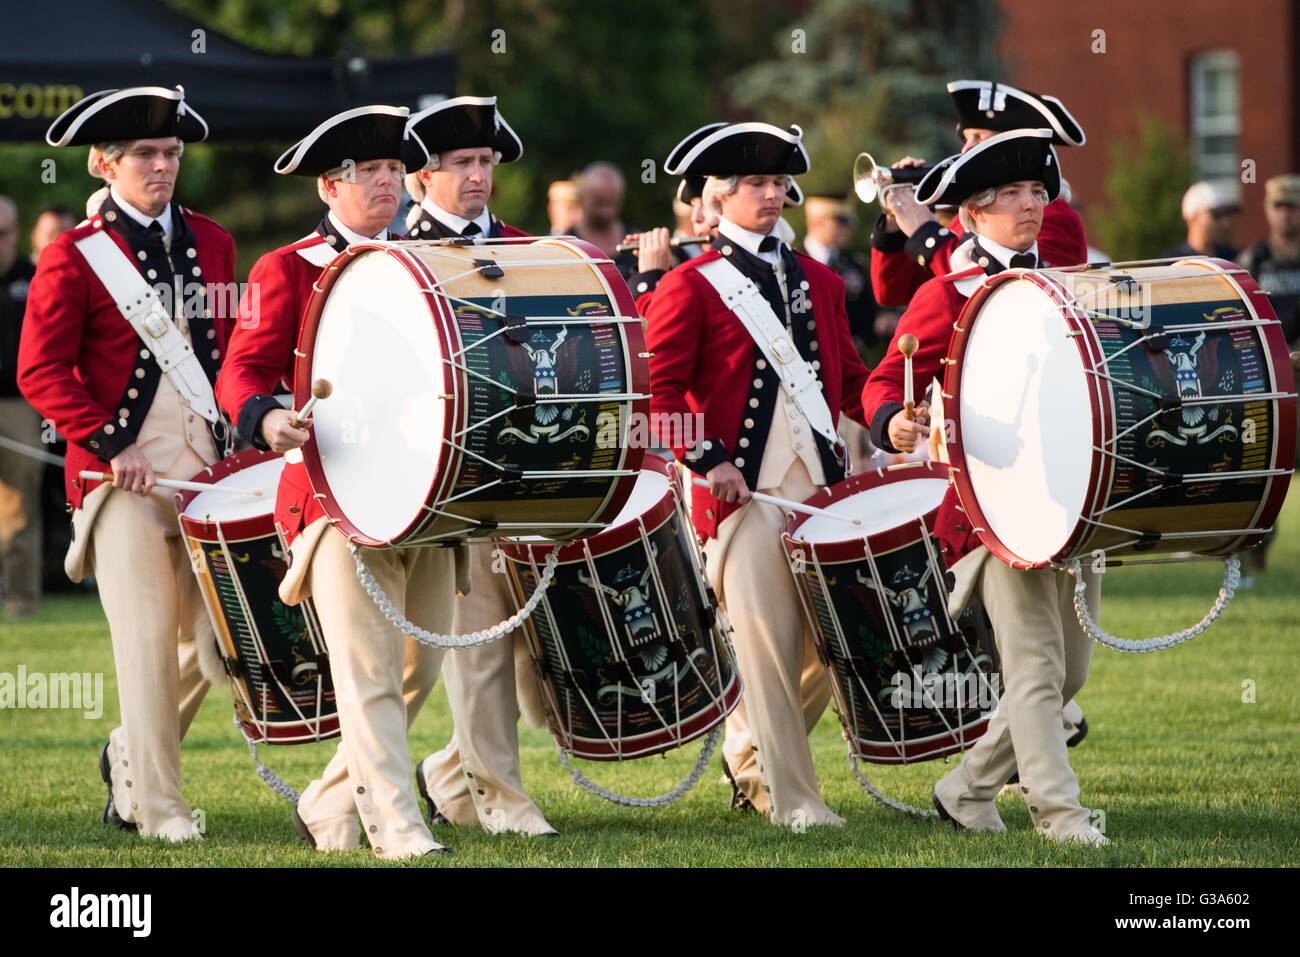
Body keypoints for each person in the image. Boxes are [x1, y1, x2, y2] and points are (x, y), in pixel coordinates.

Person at [216, 105, 458, 859]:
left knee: (420, 664)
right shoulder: (282, 268)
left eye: (394, 170)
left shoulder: (430, 259)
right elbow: (241, 371)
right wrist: (264, 418)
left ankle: (325, 801)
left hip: (428, 498)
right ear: (330, 185)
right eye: (369, 172)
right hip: (332, 499)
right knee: (368, 671)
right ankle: (396, 825)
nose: (388, 183)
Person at [863, 128, 1107, 846]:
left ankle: (964, 789)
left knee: (1066, 675)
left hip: (1074, 503)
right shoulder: (950, 292)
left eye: (1037, 191)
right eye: (1009, 196)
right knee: (1033, 668)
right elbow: (884, 381)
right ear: (971, 215)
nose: (1029, 206)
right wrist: (892, 421)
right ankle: (1061, 816)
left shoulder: (1069, 284)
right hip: (992, 508)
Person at [18, 86, 236, 841]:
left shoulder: (213, 243)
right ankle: (162, 809)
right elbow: (39, 370)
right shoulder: (72, 255)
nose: (163, 165)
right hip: (119, 486)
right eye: (145, 153)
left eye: (172, 153)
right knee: (146, 639)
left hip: (205, 474)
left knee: (216, 644)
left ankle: (129, 753)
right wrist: (113, 442)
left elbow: (226, 357)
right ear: (103, 163)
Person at [645, 121, 870, 827]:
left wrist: (890, 416)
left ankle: (748, 753)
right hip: (740, 498)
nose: (771, 195)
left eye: (778, 184)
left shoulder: (822, 282)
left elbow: (853, 382)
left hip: (820, 490)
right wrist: (710, 460)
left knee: (830, 650)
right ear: (716, 198)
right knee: (769, 650)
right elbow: (655, 399)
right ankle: (796, 801)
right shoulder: (690, 287)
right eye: (754, 185)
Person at [402, 96, 558, 837]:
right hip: (429, 482)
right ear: (421, 177)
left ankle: (468, 783)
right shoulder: (393, 258)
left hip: (515, 470)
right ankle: (492, 795)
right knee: (446, 653)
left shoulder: (530, 252)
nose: (476, 176)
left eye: (485, 162)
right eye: (460, 163)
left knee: (498, 639)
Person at [870, 81, 1088, 308]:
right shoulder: (968, 214)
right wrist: (898, 215)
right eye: (966, 138)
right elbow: (892, 294)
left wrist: (927, 234)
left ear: (1015, 144)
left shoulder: (1050, 213)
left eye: (979, 137)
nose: (965, 149)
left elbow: (1011, 295)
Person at [1237, 173, 1300, 571]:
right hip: (1272, 379)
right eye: (1279, 206)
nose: (1286, 214)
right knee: (1266, 467)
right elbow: (1239, 317)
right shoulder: (1253, 260)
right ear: (1267, 210)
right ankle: (1257, 555)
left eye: (1292, 207)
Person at [573, 161, 639, 278]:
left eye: (613, 203)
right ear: (581, 197)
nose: (605, 212)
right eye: (598, 202)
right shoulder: (566, 246)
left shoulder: (635, 244)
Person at [1161, 180, 1240, 259]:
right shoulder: (1173, 262)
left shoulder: (1236, 257)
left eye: (1227, 215)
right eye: (1217, 215)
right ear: (1194, 217)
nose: (1226, 223)